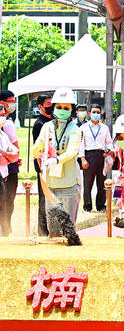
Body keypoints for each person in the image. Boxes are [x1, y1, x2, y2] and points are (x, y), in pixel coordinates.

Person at [31, 87, 82, 238]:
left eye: (66, 107)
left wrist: (56, 159)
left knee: (68, 231)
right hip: (50, 186)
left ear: (72, 109)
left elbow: (72, 151)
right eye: (58, 107)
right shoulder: (47, 127)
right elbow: (36, 149)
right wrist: (39, 150)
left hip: (69, 185)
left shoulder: (75, 129)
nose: (62, 110)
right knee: (53, 231)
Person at [78, 104, 113, 212]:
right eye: (94, 112)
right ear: (89, 113)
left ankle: (101, 205)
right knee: (88, 182)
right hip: (89, 156)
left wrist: (108, 151)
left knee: (101, 182)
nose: (96, 114)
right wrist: (83, 159)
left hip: (101, 155)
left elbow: (109, 142)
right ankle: (87, 205)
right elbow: (81, 144)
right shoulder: (83, 128)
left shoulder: (105, 128)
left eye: (98, 112)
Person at [32, 93, 53, 235]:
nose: (52, 108)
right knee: (43, 198)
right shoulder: (39, 124)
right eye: (48, 105)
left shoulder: (52, 121)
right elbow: (37, 149)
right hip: (42, 166)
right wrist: (40, 168)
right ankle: (42, 229)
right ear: (40, 107)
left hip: (54, 166)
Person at [0, 91, 21, 236]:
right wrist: (9, 157)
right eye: (10, 101)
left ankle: (6, 230)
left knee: (8, 201)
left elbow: (16, 152)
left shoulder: (5, 125)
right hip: (6, 169)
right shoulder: (5, 124)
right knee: (4, 201)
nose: (13, 104)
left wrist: (7, 156)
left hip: (9, 169)